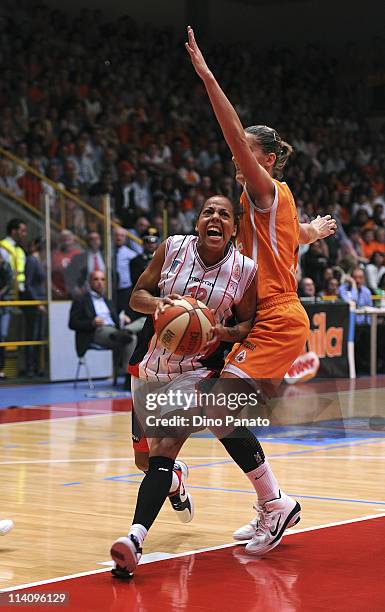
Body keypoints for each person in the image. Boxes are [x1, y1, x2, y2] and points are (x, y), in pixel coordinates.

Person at [185, 26, 337, 555]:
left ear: (265, 159)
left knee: (217, 409)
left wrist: (207, 78)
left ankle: (275, 504)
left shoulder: (264, 188)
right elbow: (287, 240)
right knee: (218, 409)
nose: (236, 157)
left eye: (246, 151)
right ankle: (270, 502)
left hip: (277, 316)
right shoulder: (267, 204)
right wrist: (313, 232)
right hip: (267, 315)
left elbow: (230, 132)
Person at [110, 195, 257, 576]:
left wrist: (221, 330)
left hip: (196, 371)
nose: (215, 217)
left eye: (224, 214)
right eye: (208, 211)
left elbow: (247, 323)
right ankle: (174, 483)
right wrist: (158, 304)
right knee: (146, 461)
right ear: (197, 223)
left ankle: (134, 540)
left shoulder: (244, 269)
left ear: (233, 229)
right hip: (149, 368)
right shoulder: (172, 248)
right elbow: (136, 297)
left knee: (166, 446)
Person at [69, 270, 134, 388]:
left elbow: (114, 319)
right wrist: (91, 322)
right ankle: (124, 334)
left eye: (102, 279)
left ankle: (128, 375)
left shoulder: (108, 300)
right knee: (124, 336)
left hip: (114, 330)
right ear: (89, 282)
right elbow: (72, 323)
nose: (99, 282)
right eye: (96, 279)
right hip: (95, 332)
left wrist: (121, 319)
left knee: (132, 337)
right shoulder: (81, 300)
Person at [24, 237, 46, 377]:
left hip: (41, 301)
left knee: (38, 336)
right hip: (35, 304)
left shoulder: (38, 261)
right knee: (33, 335)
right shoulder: (32, 260)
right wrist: (37, 302)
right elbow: (28, 284)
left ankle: (37, 366)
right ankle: (30, 368)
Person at [65, 231, 105, 298]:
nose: (95, 241)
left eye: (97, 238)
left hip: (103, 294)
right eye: (92, 239)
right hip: (86, 295)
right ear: (88, 242)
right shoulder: (79, 258)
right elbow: (69, 274)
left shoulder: (106, 257)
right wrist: (75, 289)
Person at [0, 218, 27, 297]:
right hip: (6, 291)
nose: (25, 234)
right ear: (13, 231)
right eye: (22, 231)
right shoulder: (2, 247)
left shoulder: (20, 250)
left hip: (19, 291)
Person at [113, 226, 137, 315]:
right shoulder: (106, 253)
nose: (119, 238)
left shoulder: (131, 255)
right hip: (110, 290)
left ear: (125, 238)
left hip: (125, 290)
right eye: (116, 235)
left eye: (122, 236)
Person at [0, 249, 13, 379]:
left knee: (2, 336)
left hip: (4, 306)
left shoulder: (6, 267)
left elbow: (9, 284)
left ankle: (1, 369)